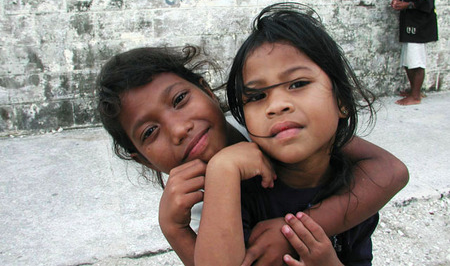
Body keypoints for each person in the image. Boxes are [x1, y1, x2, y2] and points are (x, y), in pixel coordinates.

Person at [96, 44, 408, 266]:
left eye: (179, 99)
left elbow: (390, 170)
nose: (178, 129)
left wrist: (294, 231)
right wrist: (176, 231)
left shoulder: (265, 122)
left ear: (206, 89)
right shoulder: (194, 197)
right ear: (142, 159)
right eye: (150, 132)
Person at [195, 2, 397, 265]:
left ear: (343, 102)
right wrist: (222, 168)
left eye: (298, 83)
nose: (277, 105)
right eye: (257, 96)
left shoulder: (355, 190)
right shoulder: (240, 194)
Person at [391, 0, 438, 106]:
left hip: (419, 27)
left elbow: (426, 4)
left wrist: (407, 5)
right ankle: (414, 90)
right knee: (408, 61)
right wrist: (399, 3)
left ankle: (416, 96)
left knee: (416, 62)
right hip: (410, 26)